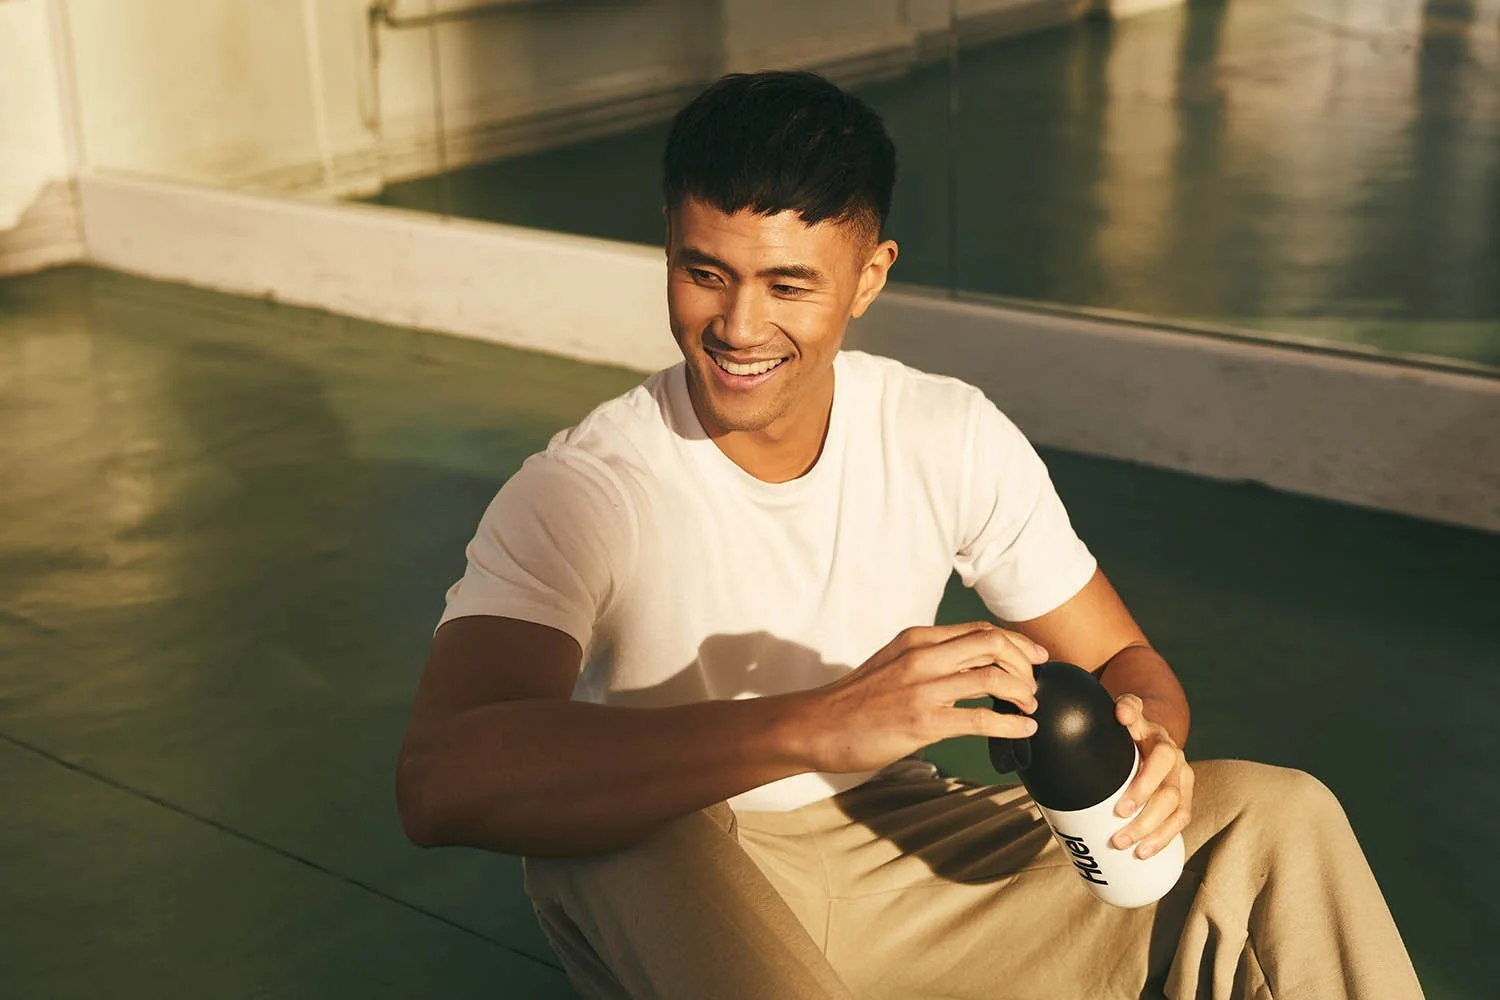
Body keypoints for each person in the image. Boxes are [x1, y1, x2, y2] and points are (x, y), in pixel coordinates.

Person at [395, 71, 1423, 999]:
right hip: (681, 845)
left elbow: (1122, 659)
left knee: (1273, 819)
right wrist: (815, 724)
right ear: (670, 244)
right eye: (705, 273)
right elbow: (440, 779)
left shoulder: (944, 431)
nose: (739, 328)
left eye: (788, 284)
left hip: (899, 836)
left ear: (869, 277)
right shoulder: (585, 489)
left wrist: (1145, 738)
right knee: (622, 838)